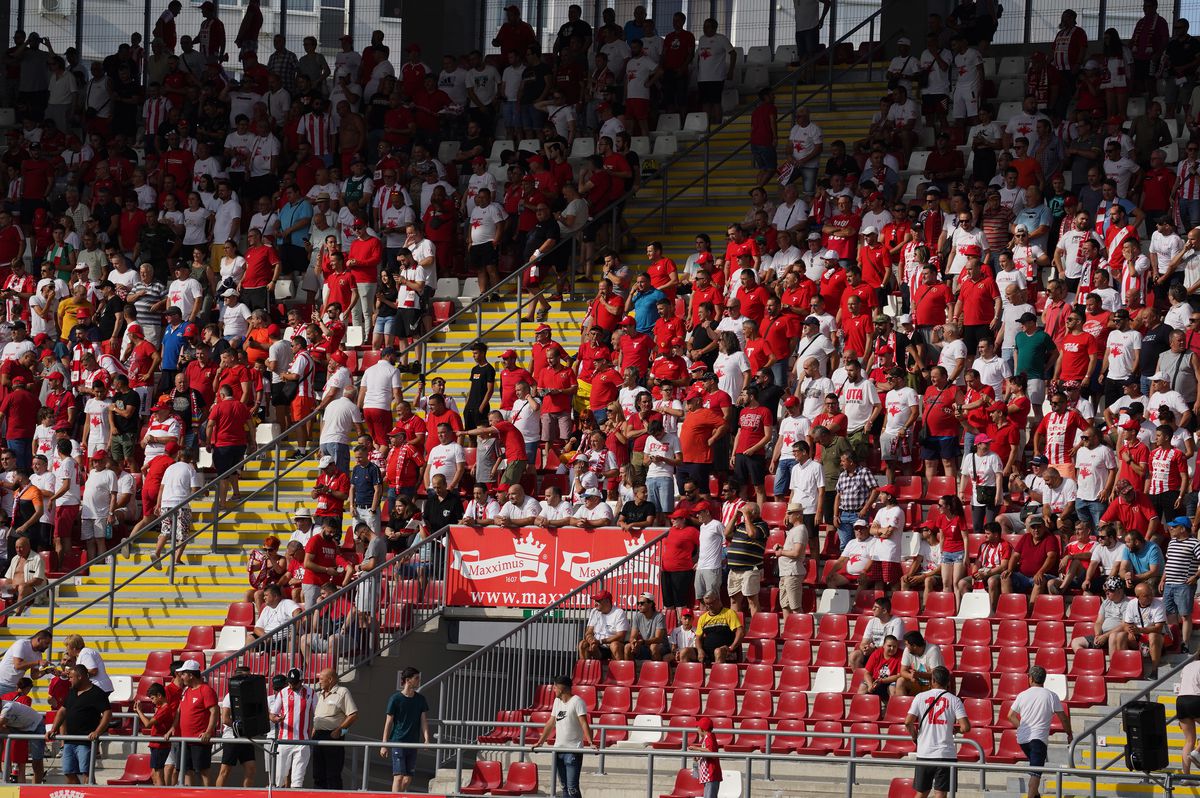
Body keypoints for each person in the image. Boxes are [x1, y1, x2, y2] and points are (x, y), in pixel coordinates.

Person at [904, 666, 969, 798]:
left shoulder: (920, 697)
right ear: (948, 683)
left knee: (922, 792)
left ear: (932, 680)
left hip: (925, 751)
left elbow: (907, 721)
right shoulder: (954, 700)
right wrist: (956, 728)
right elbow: (966, 727)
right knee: (941, 793)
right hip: (946, 753)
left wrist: (914, 735)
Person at [1008, 665, 1072, 798]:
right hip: (1038, 740)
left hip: (1022, 740)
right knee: (1035, 775)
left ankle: (1036, 795)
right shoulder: (1051, 695)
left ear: (1030, 678)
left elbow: (1010, 716)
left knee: (1034, 770)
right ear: (1044, 680)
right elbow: (1063, 718)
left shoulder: (1022, 695)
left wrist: (1021, 727)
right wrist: (1069, 733)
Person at [45, 664, 111, 785]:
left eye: (71, 677)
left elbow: (107, 713)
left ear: (80, 677)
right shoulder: (72, 692)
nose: (69, 680)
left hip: (85, 741)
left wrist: (97, 732)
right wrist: (54, 729)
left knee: (87, 773)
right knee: (68, 772)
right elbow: (62, 711)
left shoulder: (97, 693)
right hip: (69, 740)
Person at [531, 674, 595, 798]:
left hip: (573, 750)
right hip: (558, 749)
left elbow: (584, 722)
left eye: (555, 687)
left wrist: (590, 742)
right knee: (564, 786)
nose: (553, 690)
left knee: (572, 788)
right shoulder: (557, 701)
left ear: (561, 688)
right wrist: (540, 742)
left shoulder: (577, 701)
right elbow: (550, 723)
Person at [381, 666, 430, 793]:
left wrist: (426, 739)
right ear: (408, 680)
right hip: (398, 741)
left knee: (407, 779)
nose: (419, 680)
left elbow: (424, 720)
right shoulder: (395, 699)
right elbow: (388, 722)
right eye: (416, 678)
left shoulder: (420, 699)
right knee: (398, 777)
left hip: (413, 742)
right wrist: (384, 744)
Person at [174, 659, 218, 786]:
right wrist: (173, 727)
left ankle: (208, 795)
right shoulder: (186, 690)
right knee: (186, 769)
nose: (181, 677)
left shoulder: (205, 690)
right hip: (185, 738)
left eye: (183, 674)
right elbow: (180, 710)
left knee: (203, 771)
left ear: (191, 674)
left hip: (199, 739)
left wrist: (208, 732)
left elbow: (214, 711)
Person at [312, 668, 358, 789]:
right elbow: (318, 716)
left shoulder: (342, 692)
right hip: (318, 738)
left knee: (333, 774)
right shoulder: (319, 694)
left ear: (330, 679)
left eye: (321, 679)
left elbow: (353, 714)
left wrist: (339, 730)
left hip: (332, 737)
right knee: (317, 774)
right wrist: (314, 730)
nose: (319, 682)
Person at [273, 667, 315, 788]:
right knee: (279, 778)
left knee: (297, 780)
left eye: (294, 682)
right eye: (290, 682)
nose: (291, 685)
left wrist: (315, 729)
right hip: (284, 740)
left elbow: (317, 714)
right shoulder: (283, 692)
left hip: (303, 741)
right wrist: (276, 719)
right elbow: (272, 714)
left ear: (301, 681)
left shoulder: (310, 692)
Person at [849, 596, 906, 669]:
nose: (873, 609)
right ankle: (860, 679)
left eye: (876, 607)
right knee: (854, 656)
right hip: (874, 652)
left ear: (884, 610)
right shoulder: (872, 621)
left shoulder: (897, 622)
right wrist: (865, 648)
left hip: (890, 653)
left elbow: (894, 644)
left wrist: (873, 649)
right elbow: (864, 642)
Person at [577, 589, 629, 660]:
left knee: (614, 645)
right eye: (595, 601)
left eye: (598, 601)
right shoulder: (594, 611)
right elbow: (589, 632)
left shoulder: (619, 612)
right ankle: (585, 670)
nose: (595, 603)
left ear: (607, 601)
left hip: (613, 646)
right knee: (582, 644)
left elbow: (621, 636)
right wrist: (591, 641)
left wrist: (600, 641)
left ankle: (620, 670)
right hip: (598, 646)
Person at [695, 590, 743, 664]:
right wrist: (699, 650)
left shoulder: (729, 613)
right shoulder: (702, 618)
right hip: (707, 653)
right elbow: (698, 638)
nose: (709, 606)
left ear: (718, 600)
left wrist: (731, 648)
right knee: (685, 652)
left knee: (718, 651)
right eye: (707, 604)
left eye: (711, 603)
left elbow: (740, 632)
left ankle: (718, 674)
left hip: (726, 652)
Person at [0, 630, 51, 695]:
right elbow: (17, 665)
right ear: (39, 639)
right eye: (46, 643)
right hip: (1, 683)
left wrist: (46, 671)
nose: (47, 646)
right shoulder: (22, 644)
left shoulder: (38, 655)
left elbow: (34, 675)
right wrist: (38, 662)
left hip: (14, 687)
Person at [896, 630, 944, 697]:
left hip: (932, 684)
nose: (906, 647)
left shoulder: (933, 650)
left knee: (936, 682)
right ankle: (903, 707)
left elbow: (936, 675)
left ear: (914, 646)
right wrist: (911, 676)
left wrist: (919, 674)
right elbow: (902, 671)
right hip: (917, 683)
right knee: (900, 681)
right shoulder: (908, 650)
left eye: (907, 645)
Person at [624, 593, 668, 661]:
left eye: (642, 603)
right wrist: (633, 643)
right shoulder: (637, 617)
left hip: (661, 646)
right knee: (627, 647)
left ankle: (656, 671)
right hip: (645, 645)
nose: (639, 605)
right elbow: (632, 636)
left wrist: (642, 642)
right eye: (638, 603)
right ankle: (630, 671)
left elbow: (658, 639)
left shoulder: (659, 616)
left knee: (653, 646)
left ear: (650, 604)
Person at [1176, 649, 1200, 774]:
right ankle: (1197, 752)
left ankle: (1186, 776)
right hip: (1196, 698)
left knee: (1189, 741)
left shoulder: (1188, 665)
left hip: (1181, 701)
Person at [690, 716, 722, 798]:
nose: (697, 730)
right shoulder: (708, 737)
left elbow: (710, 751)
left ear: (702, 729)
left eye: (698, 728)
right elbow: (707, 752)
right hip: (709, 776)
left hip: (711, 775)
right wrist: (699, 756)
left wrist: (696, 748)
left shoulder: (709, 737)